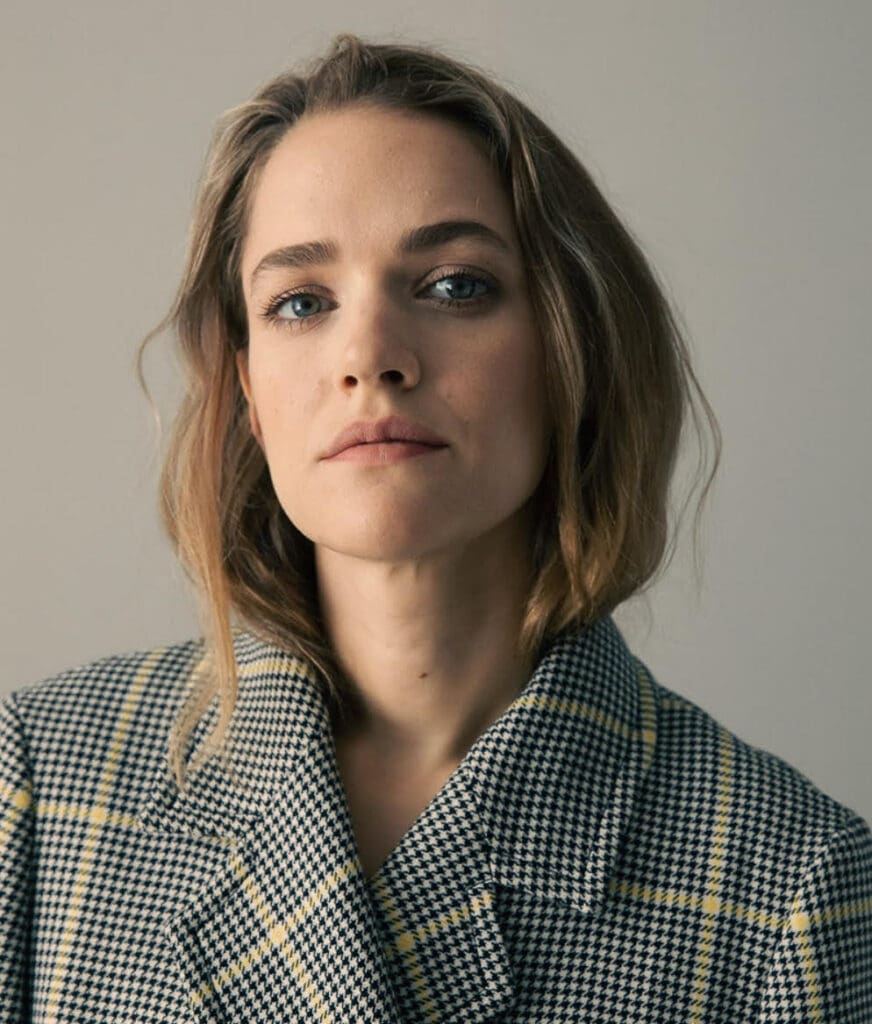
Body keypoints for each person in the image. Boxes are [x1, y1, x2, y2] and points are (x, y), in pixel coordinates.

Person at [1, 32, 869, 1023]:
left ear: (567, 345)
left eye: (454, 285)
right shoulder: (39, 783)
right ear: (246, 387)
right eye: (300, 302)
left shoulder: (787, 883)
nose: (369, 355)